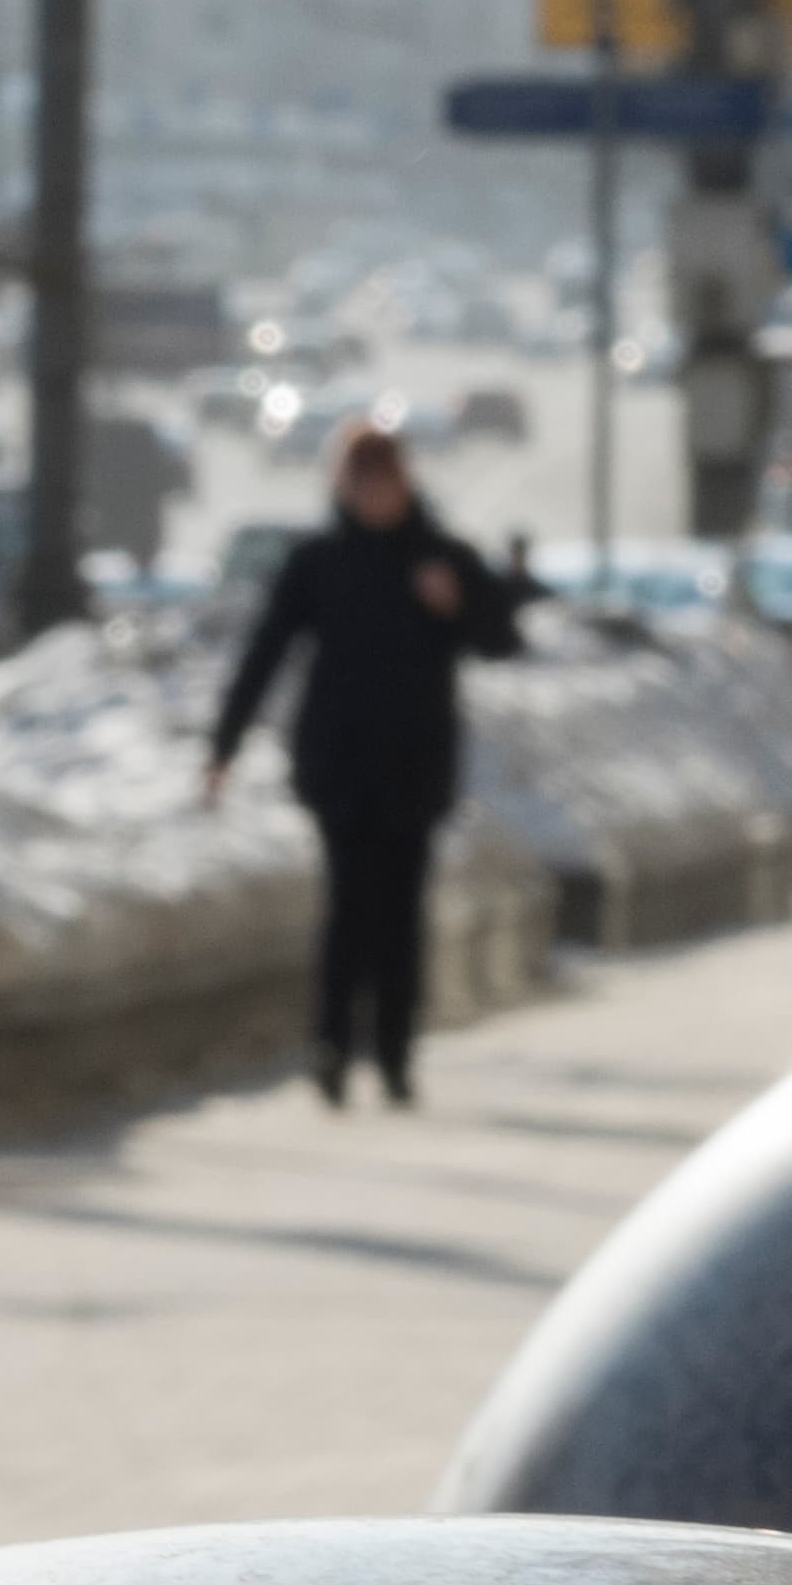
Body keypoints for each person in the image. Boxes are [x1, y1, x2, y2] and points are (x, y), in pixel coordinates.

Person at [201, 419, 530, 1108]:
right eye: (359, 481)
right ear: (341, 485)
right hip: (339, 763)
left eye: (382, 480)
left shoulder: (442, 556)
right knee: (347, 906)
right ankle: (329, 1047)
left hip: (414, 762)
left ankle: (395, 1053)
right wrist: (223, 745)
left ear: (403, 482)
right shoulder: (319, 560)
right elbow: (266, 650)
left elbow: (502, 639)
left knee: (401, 912)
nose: (371, 493)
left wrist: (456, 605)